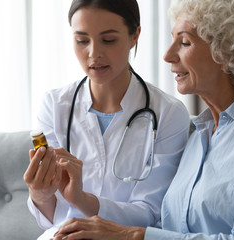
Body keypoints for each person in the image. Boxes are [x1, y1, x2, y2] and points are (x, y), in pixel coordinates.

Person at [50, 0, 234, 239]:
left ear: (227, 52)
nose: (168, 55)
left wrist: (131, 236)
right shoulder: (200, 134)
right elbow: (172, 229)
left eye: (184, 43)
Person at [23, 0, 190, 239]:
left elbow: (150, 213)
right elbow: (53, 215)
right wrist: (39, 195)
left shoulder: (169, 113)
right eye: (82, 41)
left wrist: (81, 199)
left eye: (108, 40)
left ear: (135, 35)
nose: (93, 54)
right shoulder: (54, 105)